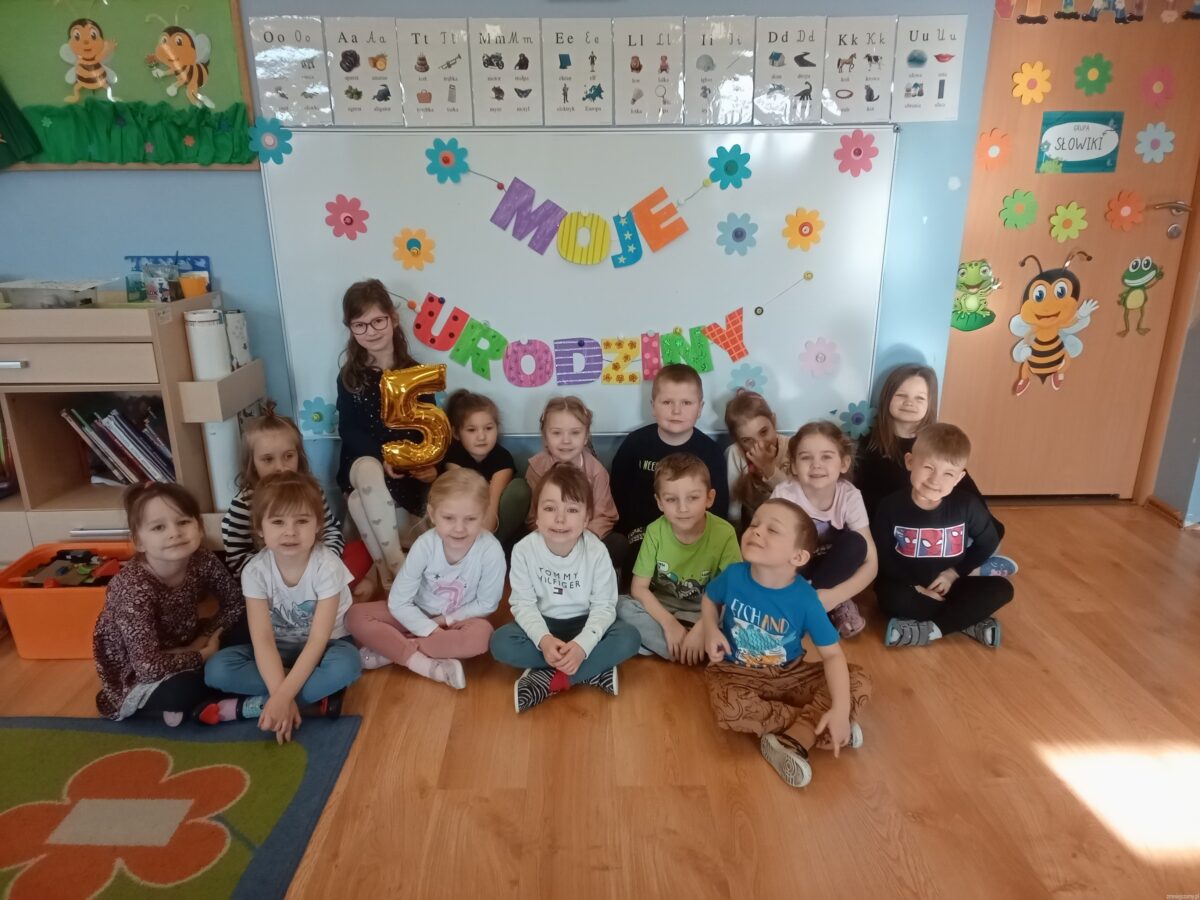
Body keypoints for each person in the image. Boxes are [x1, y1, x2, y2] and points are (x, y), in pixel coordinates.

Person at [701, 498, 871, 788]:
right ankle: (816, 727)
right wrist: (710, 630)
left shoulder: (806, 600)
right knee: (729, 708)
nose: (756, 530)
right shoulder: (733, 576)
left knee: (858, 679)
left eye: (772, 530)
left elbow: (832, 656)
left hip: (790, 674)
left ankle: (808, 731)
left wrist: (841, 708)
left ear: (798, 557)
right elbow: (709, 598)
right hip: (735, 673)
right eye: (754, 524)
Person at [204, 472, 362, 742]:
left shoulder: (327, 566)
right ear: (260, 528)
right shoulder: (255, 571)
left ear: (317, 525)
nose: (290, 531)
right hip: (278, 647)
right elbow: (263, 640)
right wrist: (283, 693)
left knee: (348, 664)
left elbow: (318, 639)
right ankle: (302, 698)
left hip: (326, 647)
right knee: (216, 669)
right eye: (278, 522)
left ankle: (257, 707)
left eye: (302, 521)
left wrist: (282, 696)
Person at [490, 464, 640, 712]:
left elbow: (604, 606)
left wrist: (582, 645)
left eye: (572, 510)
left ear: (586, 519)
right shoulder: (524, 550)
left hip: (585, 621)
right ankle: (592, 670)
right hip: (545, 623)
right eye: (550, 508)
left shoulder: (596, 551)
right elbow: (523, 604)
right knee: (500, 643)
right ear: (536, 516)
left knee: (629, 637)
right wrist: (544, 640)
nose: (560, 519)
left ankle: (554, 680)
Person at [93, 483, 242, 726]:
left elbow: (234, 602)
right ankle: (193, 692)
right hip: (141, 671)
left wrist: (202, 639)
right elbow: (147, 667)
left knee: (249, 625)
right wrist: (202, 655)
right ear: (139, 542)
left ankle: (216, 679)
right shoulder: (132, 588)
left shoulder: (202, 559)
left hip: (187, 639)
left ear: (199, 528)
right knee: (183, 691)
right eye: (158, 527)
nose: (174, 533)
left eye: (183, 522)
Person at [346, 469, 504, 689]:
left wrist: (445, 620)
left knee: (482, 637)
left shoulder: (491, 550)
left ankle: (393, 650)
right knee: (354, 616)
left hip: (459, 620)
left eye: (470, 519)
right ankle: (423, 663)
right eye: (448, 518)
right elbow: (398, 602)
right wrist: (429, 628)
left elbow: (487, 604)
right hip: (416, 612)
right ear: (432, 513)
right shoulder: (425, 545)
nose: (459, 528)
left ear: (484, 514)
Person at [855, 364, 1015, 577]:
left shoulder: (936, 445)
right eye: (901, 395)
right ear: (887, 397)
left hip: (939, 529)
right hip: (896, 532)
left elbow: (969, 496)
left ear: (930, 403)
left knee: (983, 539)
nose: (909, 403)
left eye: (920, 398)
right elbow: (860, 499)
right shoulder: (867, 445)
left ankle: (970, 569)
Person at [871, 424, 1015, 649]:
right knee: (890, 599)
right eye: (928, 467)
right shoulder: (890, 506)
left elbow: (988, 542)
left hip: (951, 583)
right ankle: (967, 621)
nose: (935, 480)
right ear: (910, 462)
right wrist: (916, 586)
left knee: (1002, 589)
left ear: (959, 478)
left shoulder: (967, 506)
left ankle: (933, 629)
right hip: (908, 585)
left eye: (948, 473)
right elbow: (882, 555)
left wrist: (953, 573)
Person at [336, 278, 439, 588]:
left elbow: (429, 429)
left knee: (358, 502)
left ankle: (386, 577)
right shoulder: (350, 376)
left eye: (377, 321)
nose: (371, 331)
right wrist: (383, 458)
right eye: (360, 325)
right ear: (351, 328)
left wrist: (421, 463)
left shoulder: (415, 373)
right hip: (363, 464)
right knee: (367, 469)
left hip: (404, 470)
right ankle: (398, 566)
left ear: (393, 318)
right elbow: (349, 430)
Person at [616, 452, 741, 663]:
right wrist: (669, 623)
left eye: (693, 498)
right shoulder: (654, 531)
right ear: (659, 502)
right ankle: (692, 650)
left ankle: (680, 646)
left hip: (707, 611)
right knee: (620, 606)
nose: (683, 508)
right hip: (662, 609)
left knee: (740, 614)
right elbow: (639, 588)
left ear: (709, 498)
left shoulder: (725, 533)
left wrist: (704, 627)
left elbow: (733, 591)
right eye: (671, 499)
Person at [611, 364, 729, 586]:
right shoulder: (635, 444)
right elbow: (617, 491)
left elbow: (718, 505)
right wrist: (627, 529)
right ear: (653, 406)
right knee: (636, 573)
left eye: (686, 403)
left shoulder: (710, 452)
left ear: (700, 408)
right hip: (643, 532)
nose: (676, 411)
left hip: (692, 531)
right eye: (667, 402)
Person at [771, 421, 877, 638]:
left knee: (857, 543)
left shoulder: (849, 496)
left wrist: (835, 595)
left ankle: (830, 603)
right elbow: (770, 551)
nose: (816, 465)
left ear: (844, 463)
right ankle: (804, 604)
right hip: (795, 570)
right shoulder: (785, 495)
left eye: (826, 457)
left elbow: (871, 563)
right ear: (793, 466)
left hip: (831, 574)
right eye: (806, 457)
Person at [222, 401, 343, 577]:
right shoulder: (244, 503)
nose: (280, 467)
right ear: (252, 463)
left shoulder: (312, 492)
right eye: (268, 459)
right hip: (267, 580)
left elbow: (330, 531)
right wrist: (279, 576)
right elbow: (236, 557)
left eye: (288, 456)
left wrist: (325, 564)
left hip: (313, 570)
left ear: (299, 456)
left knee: (359, 555)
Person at [526, 396, 626, 568]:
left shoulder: (596, 471)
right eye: (557, 433)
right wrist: (555, 538)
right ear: (545, 437)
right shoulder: (537, 468)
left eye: (575, 433)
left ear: (586, 437)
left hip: (586, 537)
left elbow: (604, 515)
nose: (566, 440)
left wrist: (579, 541)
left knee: (618, 544)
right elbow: (533, 516)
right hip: (549, 536)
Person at [442, 389, 530, 550]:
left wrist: (484, 543)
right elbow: (462, 505)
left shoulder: (502, 458)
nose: (481, 437)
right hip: (462, 525)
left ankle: (492, 549)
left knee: (519, 488)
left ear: (497, 428)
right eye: (471, 430)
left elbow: (491, 512)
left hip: (493, 526)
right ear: (456, 433)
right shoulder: (453, 458)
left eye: (488, 428)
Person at [724, 390, 789, 531]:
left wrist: (768, 467)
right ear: (737, 439)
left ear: (773, 421)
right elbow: (734, 508)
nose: (760, 444)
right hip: (755, 527)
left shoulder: (792, 448)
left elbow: (796, 497)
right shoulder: (735, 453)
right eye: (747, 440)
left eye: (764, 432)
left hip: (789, 523)